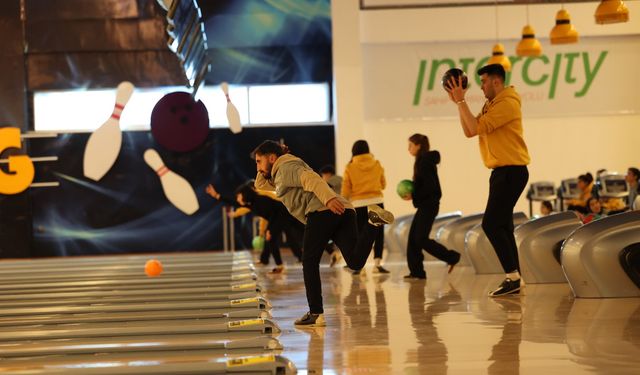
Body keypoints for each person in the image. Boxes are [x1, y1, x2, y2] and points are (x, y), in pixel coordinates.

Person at [252, 140, 394, 326]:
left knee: (309, 261)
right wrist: (267, 163)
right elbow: (260, 184)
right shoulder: (280, 173)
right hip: (344, 210)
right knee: (355, 261)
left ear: (272, 158)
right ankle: (372, 223)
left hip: (323, 211)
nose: (258, 166)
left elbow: (311, 179)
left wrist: (328, 199)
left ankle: (316, 313)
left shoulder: (286, 167)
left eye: (259, 161)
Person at [446, 63, 530, 297]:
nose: (480, 86)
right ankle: (516, 277)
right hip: (502, 172)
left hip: (512, 171)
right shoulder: (492, 104)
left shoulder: (508, 104)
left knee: (491, 224)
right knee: (502, 225)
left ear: (496, 81)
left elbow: (473, 128)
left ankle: (512, 277)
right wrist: (458, 104)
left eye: (483, 82)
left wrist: (462, 102)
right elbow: (469, 130)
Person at [206, 181, 304, 273]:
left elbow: (275, 214)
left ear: (245, 195)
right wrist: (216, 195)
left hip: (284, 215)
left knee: (278, 237)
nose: (237, 199)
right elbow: (234, 203)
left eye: (239, 196)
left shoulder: (260, 200)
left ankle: (283, 264)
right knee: (272, 239)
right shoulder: (251, 203)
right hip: (278, 217)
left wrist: (270, 230)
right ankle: (279, 265)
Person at [402, 134, 461, 279]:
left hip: (429, 205)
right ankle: (417, 272)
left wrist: (413, 195)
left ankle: (452, 257)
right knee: (413, 238)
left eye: (410, 145)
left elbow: (430, 187)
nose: (408, 149)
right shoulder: (423, 161)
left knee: (421, 238)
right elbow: (425, 184)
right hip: (426, 205)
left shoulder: (424, 162)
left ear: (418, 146)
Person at [341, 140, 389, 274]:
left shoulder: (349, 167)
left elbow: (345, 191)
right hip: (377, 202)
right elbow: (383, 184)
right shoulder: (377, 164)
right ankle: (378, 264)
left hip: (358, 204)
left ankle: (360, 266)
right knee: (378, 234)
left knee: (362, 235)